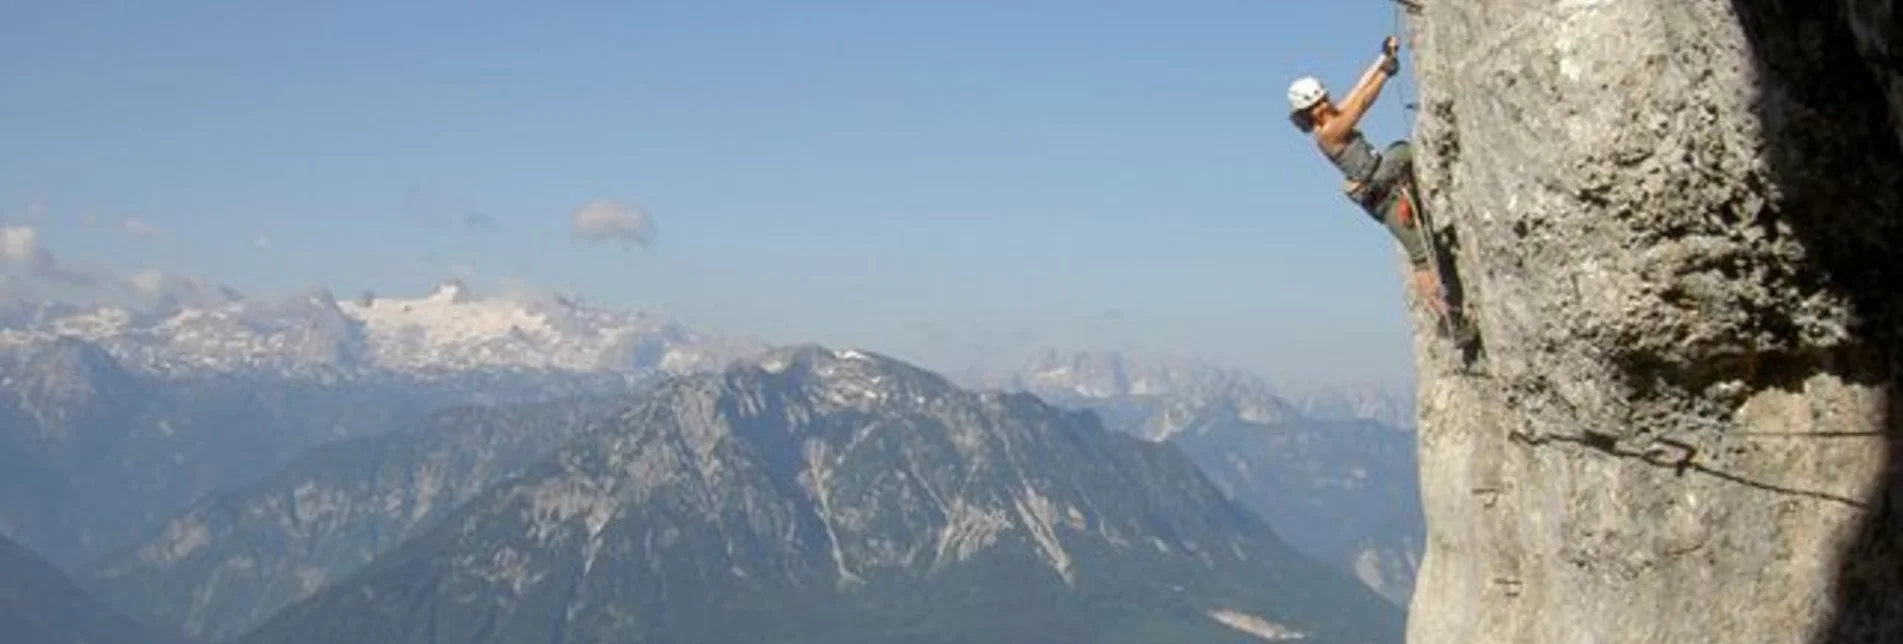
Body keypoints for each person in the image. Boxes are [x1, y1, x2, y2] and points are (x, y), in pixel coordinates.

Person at [1288, 36, 1448, 319]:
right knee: (1421, 256)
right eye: (1319, 104)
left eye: (1324, 99)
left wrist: (1382, 58)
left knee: (1401, 150)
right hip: (1382, 195)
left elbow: (1357, 90)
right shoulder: (1328, 133)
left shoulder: (1330, 117)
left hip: (1382, 179)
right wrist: (1386, 73)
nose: (1325, 104)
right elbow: (1361, 104)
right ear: (1309, 113)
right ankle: (1446, 317)